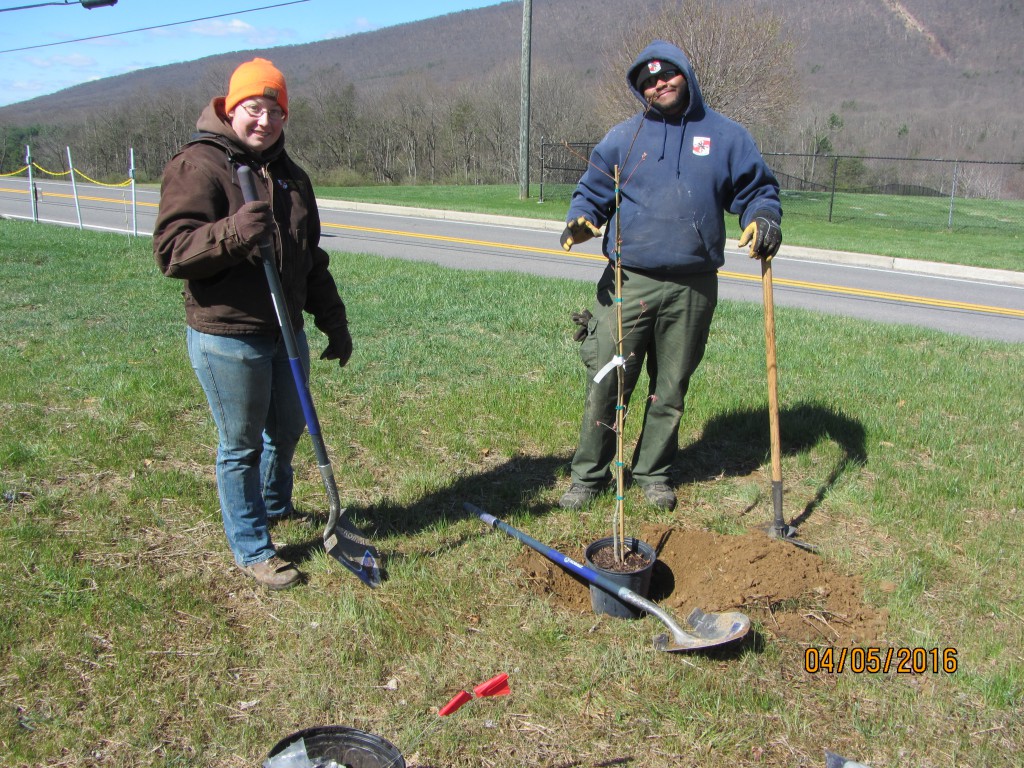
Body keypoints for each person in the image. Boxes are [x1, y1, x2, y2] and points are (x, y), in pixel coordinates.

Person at [558, 39, 782, 512]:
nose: (659, 84)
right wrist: (581, 218)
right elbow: (592, 189)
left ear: (686, 74)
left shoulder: (727, 137)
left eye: (667, 75)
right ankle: (588, 476)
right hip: (628, 280)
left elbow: (757, 190)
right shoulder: (624, 137)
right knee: (607, 378)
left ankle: (653, 472)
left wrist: (763, 220)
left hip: (693, 286)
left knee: (671, 388)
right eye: (648, 80)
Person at [153, 58, 352, 590]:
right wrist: (234, 231)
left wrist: (334, 321)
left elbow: (310, 258)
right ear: (230, 107)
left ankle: (272, 504)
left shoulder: (292, 177)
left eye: (275, 110)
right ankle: (253, 546)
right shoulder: (198, 166)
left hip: (285, 331)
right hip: (227, 334)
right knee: (239, 443)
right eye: (253, 108)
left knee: (285, 428)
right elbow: (172, 253)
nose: (264, 120)